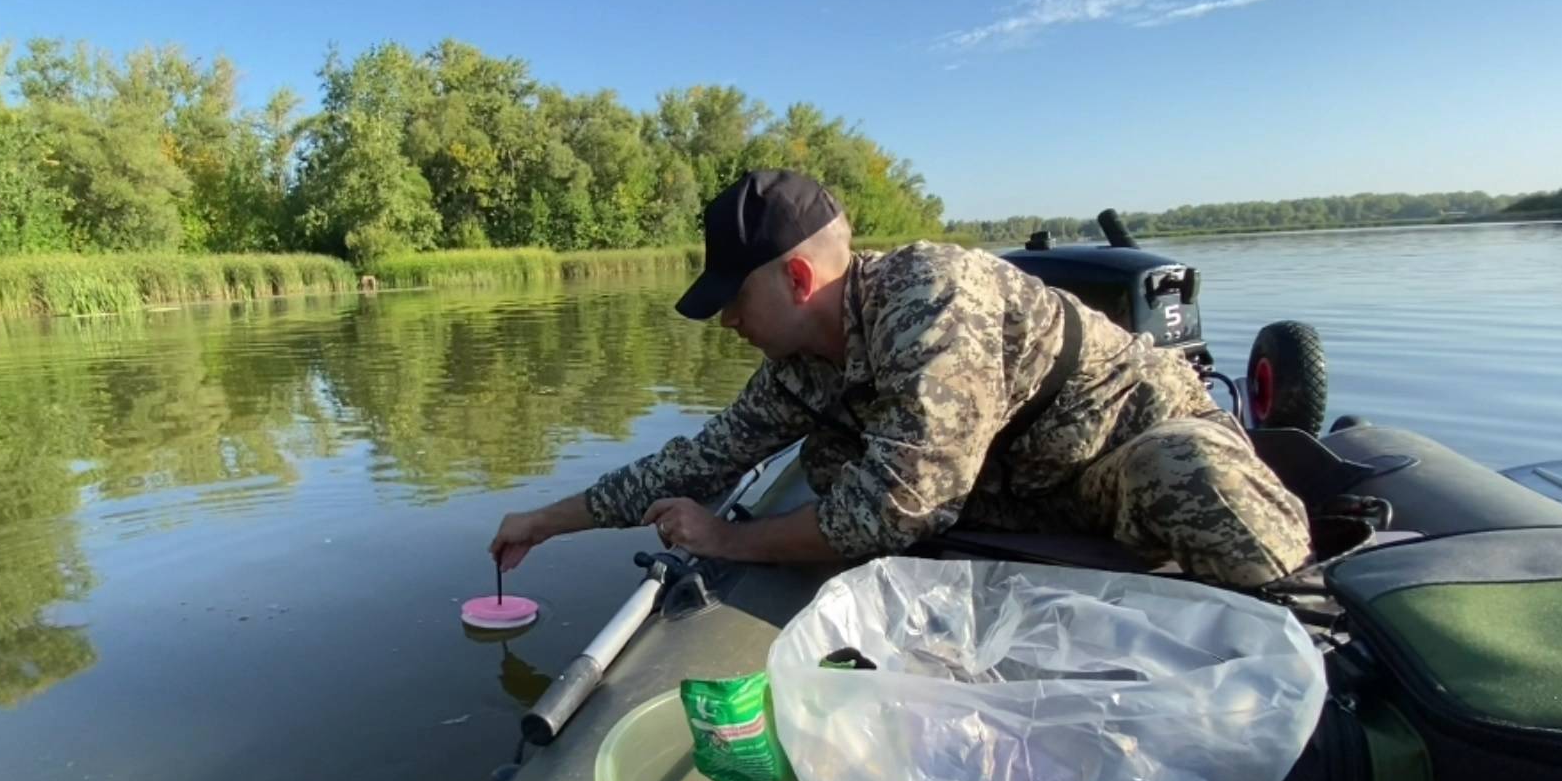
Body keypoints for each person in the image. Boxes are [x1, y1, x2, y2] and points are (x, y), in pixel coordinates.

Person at [489, 170, 1311, 589]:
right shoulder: (803, 366)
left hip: (1113, 455)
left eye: (733, 300)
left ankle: (1309, 628)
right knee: (826, 468)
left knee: (1190, 475)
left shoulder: (931, 295)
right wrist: (544, 520)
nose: (726, 322)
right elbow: (697, 463)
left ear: (798, 282)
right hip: (1019, 492)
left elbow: (898, 503)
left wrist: (730, 540)